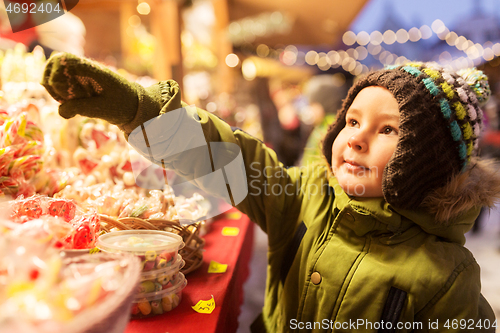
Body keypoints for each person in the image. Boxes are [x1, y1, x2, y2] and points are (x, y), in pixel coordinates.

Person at [41, 54, 499, 332]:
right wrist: (140, 111)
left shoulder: (448, 276)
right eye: (353, 122)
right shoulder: (304, 195)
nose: (356, 138)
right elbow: (231, 161)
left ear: (429, 161)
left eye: (388, 130)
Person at [300, 74, 348, 166]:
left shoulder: (325, 132)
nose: (310, 109)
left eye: (312, 104)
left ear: (324, 104)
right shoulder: (324, 126)